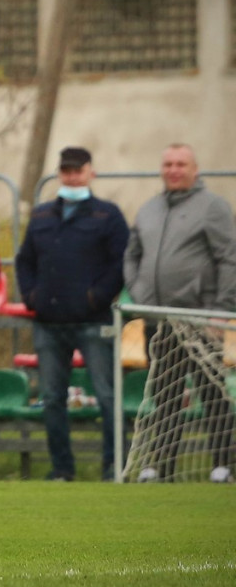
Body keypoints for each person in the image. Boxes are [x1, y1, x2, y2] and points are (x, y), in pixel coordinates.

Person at [15, 147, 130, 482]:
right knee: (52, 399)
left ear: (91, 172)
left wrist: (96, 297)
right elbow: (25, 261)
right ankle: (62, 469)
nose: (72, 177)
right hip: (49, 324)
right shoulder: (41, 216)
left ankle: (114, 465)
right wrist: (32, 296)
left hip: (94, 322)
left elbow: (121, 264)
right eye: (66, 171)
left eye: (78, 171)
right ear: (60, 173)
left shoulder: (108, 216)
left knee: (107, 396)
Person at [124, 143, 236, 483]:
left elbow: (229, 258)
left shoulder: (213, 207)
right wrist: (142, 296)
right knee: (164, 396)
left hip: (203, 320)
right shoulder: (149, 209)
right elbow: (132, 256)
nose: (174, 169)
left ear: (194, 169)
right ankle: (160, 466)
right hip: (161, 322)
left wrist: (222, 309)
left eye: (181, 164)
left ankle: (222, 464)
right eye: (168, 164)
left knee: (212, 393)